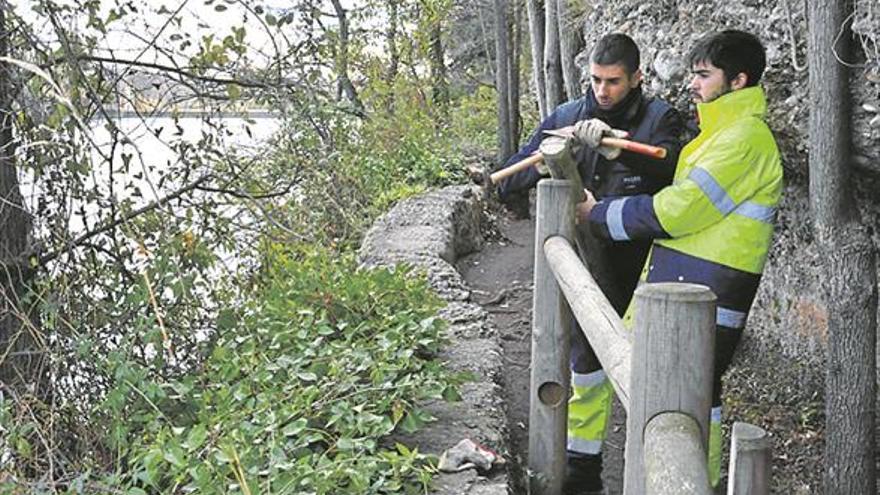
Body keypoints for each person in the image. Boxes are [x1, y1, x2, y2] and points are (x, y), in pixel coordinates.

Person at [577, 30, 783, 488]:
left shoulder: (745, 138)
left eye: (704, 75)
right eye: (693, 73)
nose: (693, 83)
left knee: (688, 402)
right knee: (688, 401)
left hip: (708, 297)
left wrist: (601, 215)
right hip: (686, 290)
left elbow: (681, 208)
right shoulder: (721, 133)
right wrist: (619, 147)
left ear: (738, 81)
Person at [497, 33, 683, 494]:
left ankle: (657, 476)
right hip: (576, 263)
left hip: (641, 266)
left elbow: (679, 173)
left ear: (637, 77)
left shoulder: (661, 119)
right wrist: (546, 162)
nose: (603, 91)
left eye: (614, 82)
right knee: (584, 365)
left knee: (649, 375)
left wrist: (617, 148)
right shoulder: (566, 118)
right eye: (597, 80)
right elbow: (507, 181)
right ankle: (582, 472)